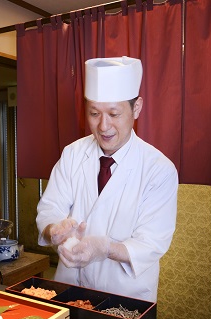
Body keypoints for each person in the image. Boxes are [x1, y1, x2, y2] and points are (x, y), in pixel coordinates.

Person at [36, 56, 178, 303]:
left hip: (125, 297)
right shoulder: (72, 154)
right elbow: (50, 209)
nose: (103, 126)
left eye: (114, 113)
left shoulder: (159, 169)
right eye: (94, 113)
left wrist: (105, 249)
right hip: (70, 288)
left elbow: (151, 243)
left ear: (137, 108)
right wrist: (54, 230)